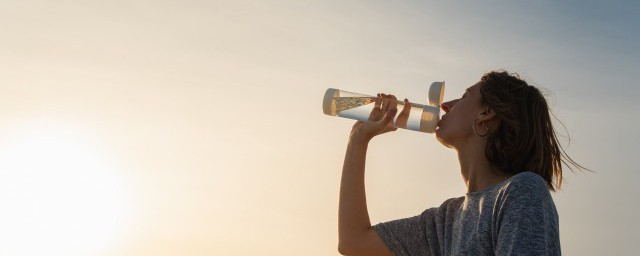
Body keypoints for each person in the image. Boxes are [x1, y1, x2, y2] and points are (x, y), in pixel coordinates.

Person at [337, 71, 587, 256]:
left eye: (466, 95)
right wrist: (358, 139)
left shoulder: (522, 192)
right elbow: (354, 242)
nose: (446, 105)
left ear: (486, 113)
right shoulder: (447, 219)